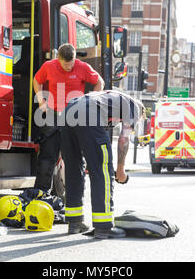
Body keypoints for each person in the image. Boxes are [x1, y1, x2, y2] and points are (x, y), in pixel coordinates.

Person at [60, 90, 145, 239]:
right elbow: (124, 139)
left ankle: (74, 223)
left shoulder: (109, 100)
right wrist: (120, 169)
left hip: (68, 110)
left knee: (74, 169)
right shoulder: (134, 106)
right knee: (103, 170)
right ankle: (103, 227)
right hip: (88, 112)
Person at [32, 43, 104, 193]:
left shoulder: (82, 67)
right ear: (58, 59)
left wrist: (90, 101)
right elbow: (36, 80)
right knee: (47, 156)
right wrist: (41, 101)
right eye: (66, 65)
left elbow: (99, 82)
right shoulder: (49, 66)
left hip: (75, 116)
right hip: (53, 115)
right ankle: (41, 194)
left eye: (71, 64)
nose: (69, 68)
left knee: (74, 157)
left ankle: (76, 194)